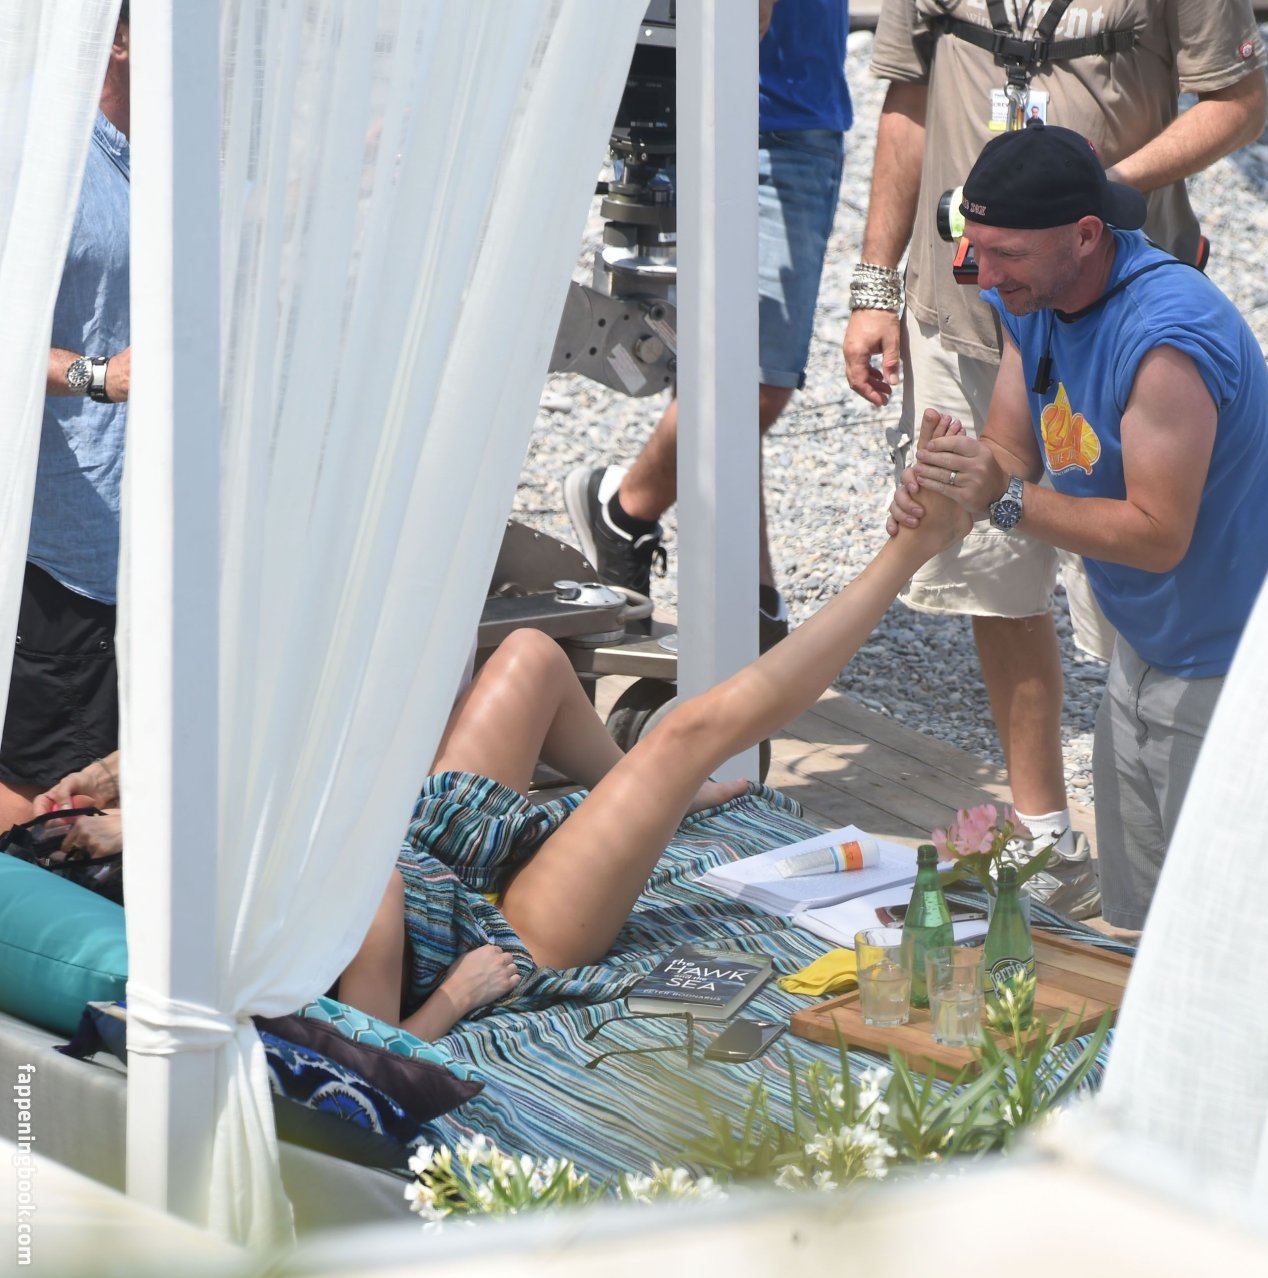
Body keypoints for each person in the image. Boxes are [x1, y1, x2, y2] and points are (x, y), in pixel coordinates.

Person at [37, 428, 973, 1038]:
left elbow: (266, 746)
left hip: (434, 838)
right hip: (508, 925)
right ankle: (904, 557)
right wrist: (457, 997)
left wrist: (125, 773)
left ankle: (650, 798)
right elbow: (373, 1052)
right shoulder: (337, 900)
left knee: (529, 657)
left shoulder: (267, 839)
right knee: (690, 731)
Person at [844, 0, 1268, 917]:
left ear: (1084, 234)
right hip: (1147, 658)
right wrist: (952, 482)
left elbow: (1156, 535)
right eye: (975, 250)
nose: (984, 277)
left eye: (1004, 256)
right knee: (1135, 918)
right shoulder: (1031, 297)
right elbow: (1010, 450)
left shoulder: (1164, 344)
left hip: (1229, 666)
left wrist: (1001, 503)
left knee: (1218, 925)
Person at [565, 0, 854, 651]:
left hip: (791, 110)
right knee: (712, 366)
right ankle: (747, 604)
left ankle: (626, 510)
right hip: (677, 93)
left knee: (753, 380)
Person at [1, 7, 133, 829]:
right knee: (41, 796)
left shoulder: (172, 164)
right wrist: (99, 377)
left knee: (101, 786)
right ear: (116, 38)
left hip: (145, 549)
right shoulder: (43, 157)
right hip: (65, 551)